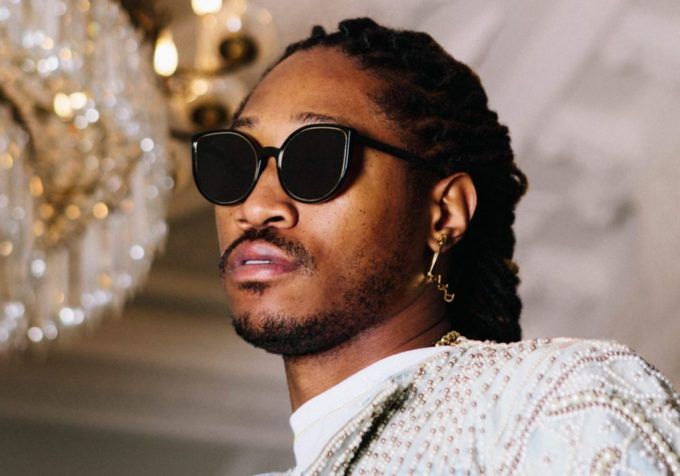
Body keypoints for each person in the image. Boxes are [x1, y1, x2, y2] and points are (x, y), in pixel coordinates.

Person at [191, 17, 680, 475]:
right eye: (236, 161)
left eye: (318, 158)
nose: (255, 207)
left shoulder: (554, 399)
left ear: (444, 213)